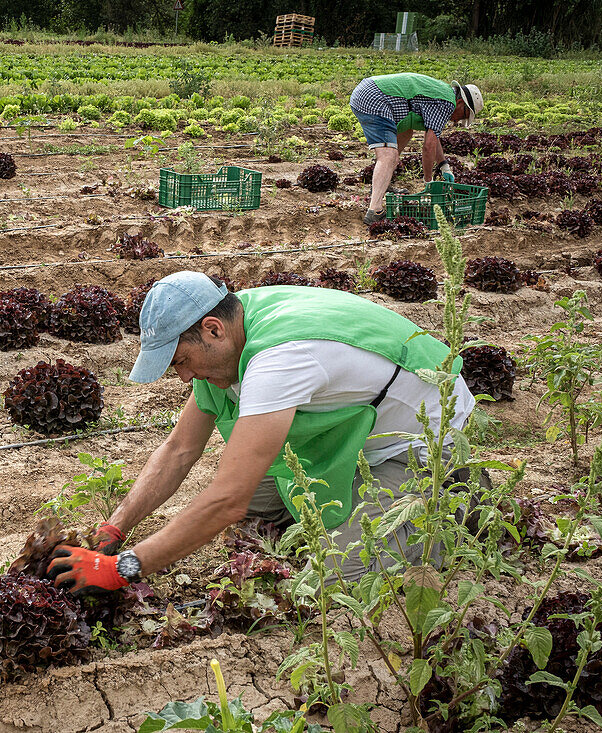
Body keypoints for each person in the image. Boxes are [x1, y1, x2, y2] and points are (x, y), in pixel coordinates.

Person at [48, 272, 476, 595]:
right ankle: (356, 495)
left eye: (180, 361)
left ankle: (450, 503)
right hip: (348, 425)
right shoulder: (231, 328)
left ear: (213, 329)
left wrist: (122, 568)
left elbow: (227, 500)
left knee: (331, 585)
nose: (182, 377)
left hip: (418, 438)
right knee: (259, 513)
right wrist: (114, 530)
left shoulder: (281, 360)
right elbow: (179, 449)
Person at [349, 73, 483, 226]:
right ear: (460, 103)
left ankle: (381, 187)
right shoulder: (447, 103)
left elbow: (433, 136)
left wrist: (443, 165)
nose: (459, 120)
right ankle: (375, 211)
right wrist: (428, 183)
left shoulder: (444, 95)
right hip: (374, 97)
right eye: (464, 115)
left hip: (370, 92)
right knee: (387, 156)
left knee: (406, 132)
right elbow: (428, 147)